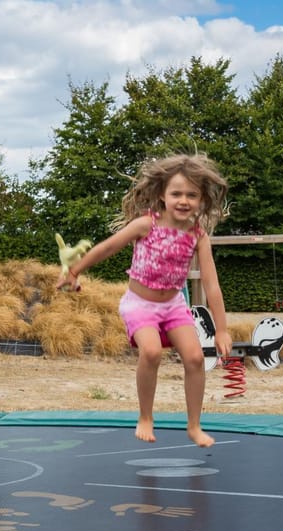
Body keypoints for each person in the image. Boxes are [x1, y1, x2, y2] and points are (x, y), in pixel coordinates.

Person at [57, 152, 232, 448]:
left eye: (191, 195)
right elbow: (107, 248)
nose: (183, 200)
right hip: (140, 304)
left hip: (173, 305)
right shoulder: (145, 224)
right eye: (176, 193)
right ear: (162, 195)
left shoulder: (198, 236)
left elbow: (212, 284)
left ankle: (194, 425)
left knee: (194, 357)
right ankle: (146, 417)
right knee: (150, 352)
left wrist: (222, 329)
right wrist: (74, 270)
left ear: (201, 200)